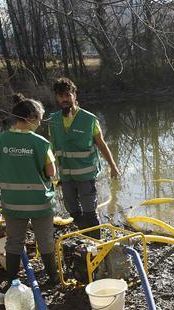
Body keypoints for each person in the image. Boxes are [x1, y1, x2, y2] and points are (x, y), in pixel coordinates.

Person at [0, 94, 60, 286]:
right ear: (30, 118)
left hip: (12, 202)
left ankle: (12, 280)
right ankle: (53, 278)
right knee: (45, 240)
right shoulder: (40, 142)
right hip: (39, 202)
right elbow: (51, 171)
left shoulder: (1, 140)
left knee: (14, 241)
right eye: (39, 118)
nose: (40, 123)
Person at [47, 77, 120, 232]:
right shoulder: (53, 121)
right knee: (72, 209)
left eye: (67, 95)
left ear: (75, 95)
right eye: (60, 96)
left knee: (90, 212)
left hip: (86, 176)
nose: (64, 99)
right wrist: (45, 171)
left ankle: (97, 246)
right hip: (65, 176)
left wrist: (113, 166)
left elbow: (101, 144)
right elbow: (51, 148)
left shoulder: (89, 119)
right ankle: (85, 234)